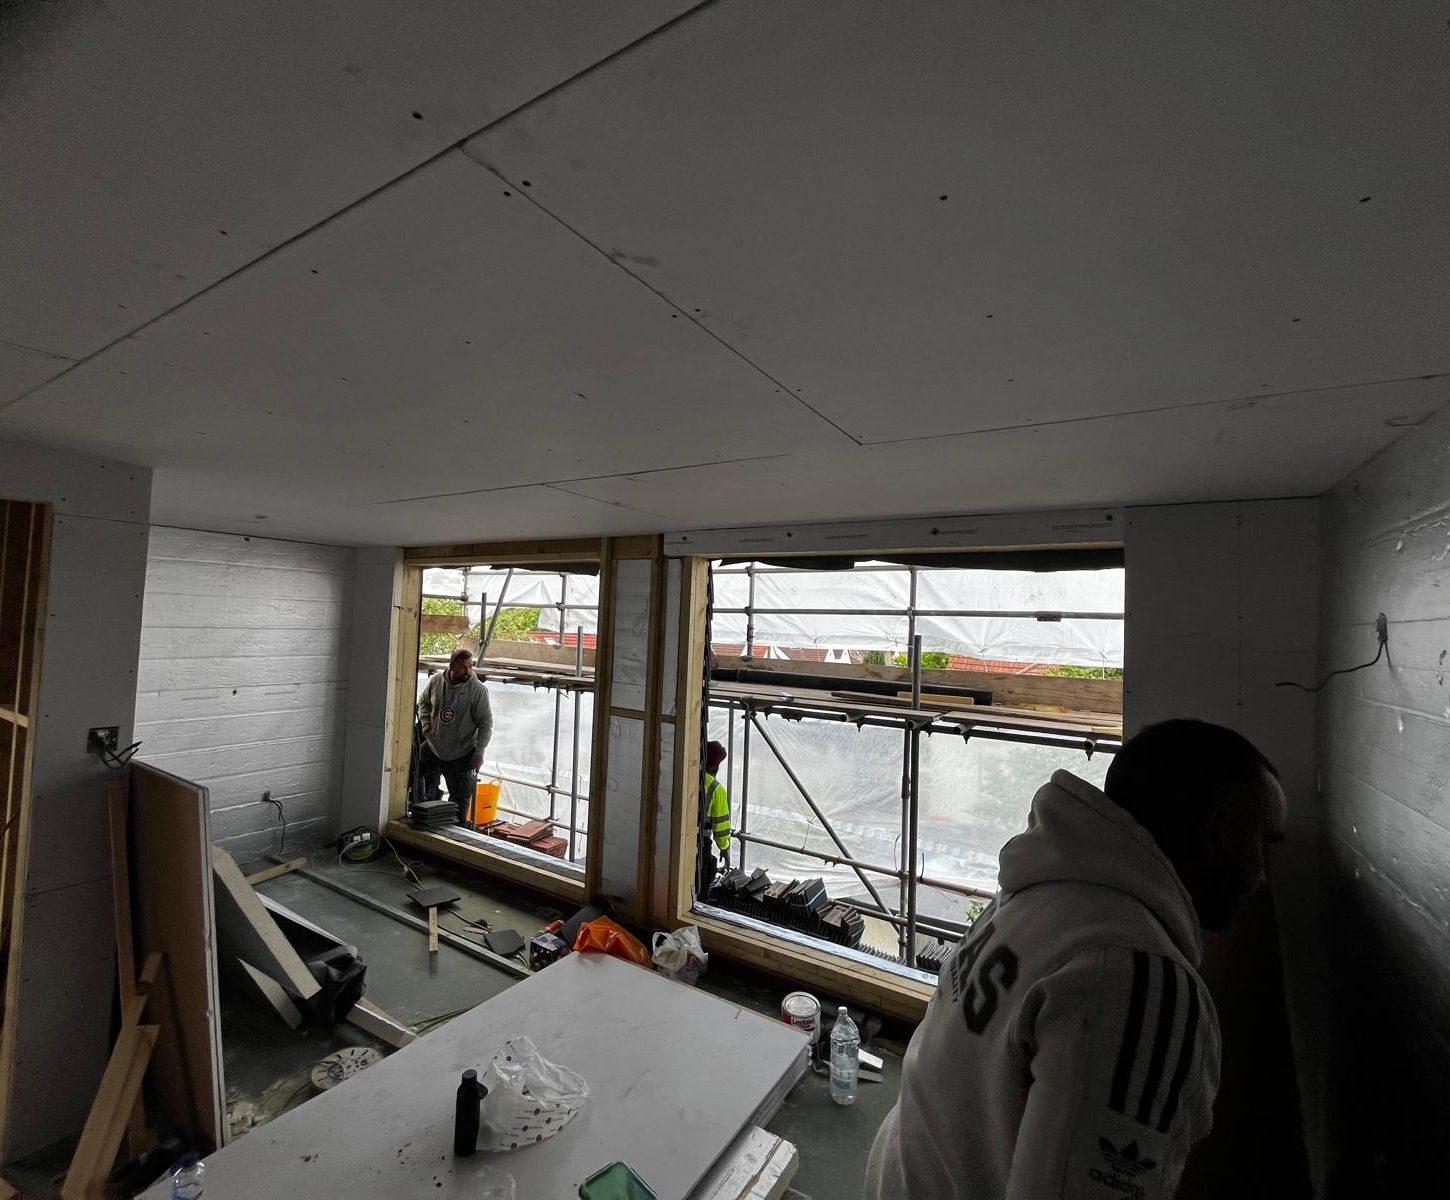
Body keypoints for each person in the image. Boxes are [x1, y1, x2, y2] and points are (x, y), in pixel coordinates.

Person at [864, 718, 1288, 1200]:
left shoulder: (1037, 895)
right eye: (1263, 842)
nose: (1263, 874)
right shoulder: (1136, 980)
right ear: (1219, 829)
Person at [416, 647, 493, 823]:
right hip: (434, 747)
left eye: (470, 667)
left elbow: (486, 723)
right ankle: (422, 814)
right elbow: (424, 702)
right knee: (412, 772)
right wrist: (426, 721)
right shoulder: (436, 681)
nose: (468, 671)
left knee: (460, 797)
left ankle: (456, 829)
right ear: (451, 666)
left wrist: (480, 752)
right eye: (463, 667)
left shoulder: (478, 690)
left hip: (462, 752)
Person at [705, 740, 732, 868]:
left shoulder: (687, 776)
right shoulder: (716, 789)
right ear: (713, 766)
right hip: (700, 842)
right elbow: (721, 829)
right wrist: (724, 848)